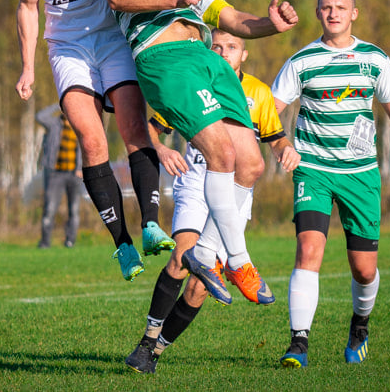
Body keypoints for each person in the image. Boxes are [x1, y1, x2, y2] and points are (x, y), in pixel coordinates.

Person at [96, 0, 298, 307]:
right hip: (164, 58)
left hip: (208, 60)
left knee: (252, 163)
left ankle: (204, 253)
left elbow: (231, 19)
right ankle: (238, 258)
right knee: (221, 153)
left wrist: (270, 25)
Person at [16, 0, 181, 281]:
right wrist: (27, 67)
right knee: (91, 141)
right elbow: (27, 7)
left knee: (134, 128)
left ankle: (151, 225)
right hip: (68, 48)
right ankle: (122, 244)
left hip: (111, 40)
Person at [271, 0, 390, 367]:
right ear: (317, 13)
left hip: (361, 174)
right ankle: (298, 344)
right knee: (309, 250)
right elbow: (268, 110)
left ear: (354, 14)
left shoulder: (375, 59)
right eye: (326, 7)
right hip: (313, 170)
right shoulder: (301, 61)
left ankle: (360, 325)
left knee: (364, 269)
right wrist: (280, 144)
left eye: (341, 7)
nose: (333, 13)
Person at [125, 28, 301, 373]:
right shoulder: (192, 81)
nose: (223, 52)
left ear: (244, 54)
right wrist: (161, 149)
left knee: (200, 286)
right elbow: (150, 128)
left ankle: (155, 351)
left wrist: (287, 149)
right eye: (216, 46)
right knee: (181, 259)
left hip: (235, 193)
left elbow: (275, 137)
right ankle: (146, 340)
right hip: (195, 183)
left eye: (232, 46)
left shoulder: (258, 93)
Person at [36, 104, 82, 249]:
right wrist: (58, 104)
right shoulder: (54, 124)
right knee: (49, 208)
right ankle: (45, 243)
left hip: (74, 174)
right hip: (54, 173)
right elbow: (39, 116)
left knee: (74, 210)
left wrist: (81, 168)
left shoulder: (80, 125)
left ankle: (70, 241)